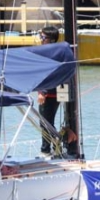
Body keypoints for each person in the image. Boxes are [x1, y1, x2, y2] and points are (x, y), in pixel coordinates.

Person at [38, 26, 61, 154]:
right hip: (53, 93)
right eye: (40, 36)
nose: (41, 39)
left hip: (50, 94)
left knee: (45, 123)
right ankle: (53, 147)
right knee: (47, 123)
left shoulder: (51, 54)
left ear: (51, 39)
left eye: (43, 37)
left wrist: (43, 92)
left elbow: (48, 74)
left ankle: (47, 149)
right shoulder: (54, 52)